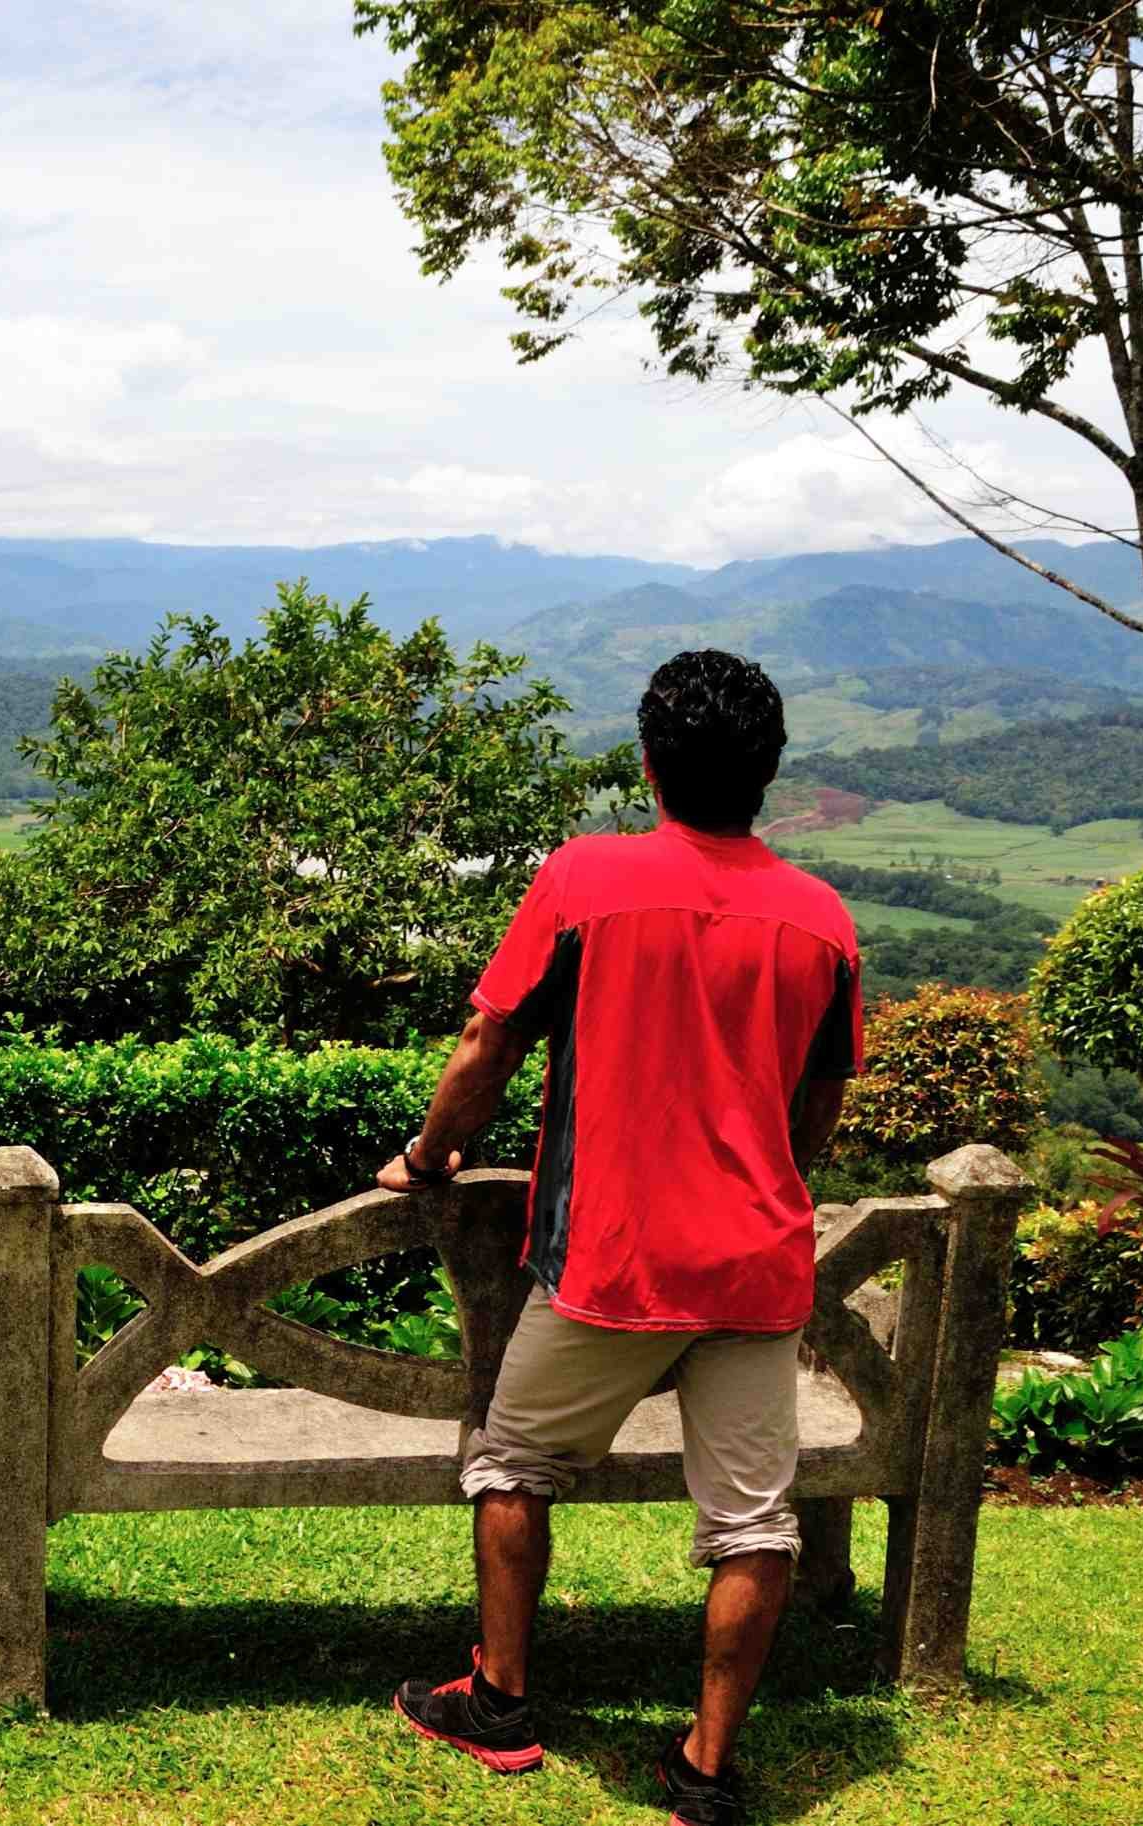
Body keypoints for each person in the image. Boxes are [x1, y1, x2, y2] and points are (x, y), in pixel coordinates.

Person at [379, 650, 858, 1826]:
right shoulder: (822, 920)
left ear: (648, 764)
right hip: (756, 1265)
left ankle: (499, 1698)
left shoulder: (587, 881)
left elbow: (484, 1050)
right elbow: (814, 1112)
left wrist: (430, 1154)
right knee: (754, 1523)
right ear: (769, 773)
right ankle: (702, 1765)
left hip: (610, 1260)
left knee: (510, 1463)